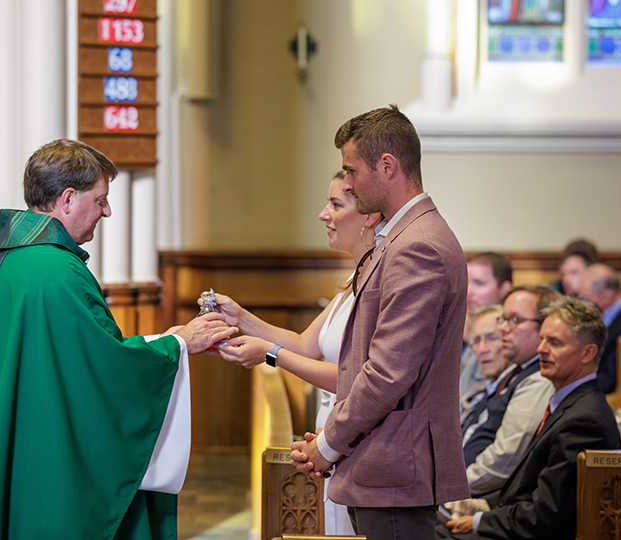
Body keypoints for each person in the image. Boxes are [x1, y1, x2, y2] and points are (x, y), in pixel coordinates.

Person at [0, 139, 237, 540]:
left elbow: (82, 354)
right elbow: (106, 373)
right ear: (68, 199)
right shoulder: (57, 271)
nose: (107, 210)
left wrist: (165, 338)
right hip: (46, 459)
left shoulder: (8, 256)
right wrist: (179, 345)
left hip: (17, 438)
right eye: (100, 199)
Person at [290, 105, 470, 540]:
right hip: (383, 461)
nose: (347, 182)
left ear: (387, 165)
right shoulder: (403, 236)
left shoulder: (417, 246)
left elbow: (389, 372)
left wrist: (327, 444)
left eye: (351, 171)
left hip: (395, 467)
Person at [210, 170, 381, 535]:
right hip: (331, 437)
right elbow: (306, 344)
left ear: (369, 216)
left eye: (335, 204)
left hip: (358, 442)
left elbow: (353, 377)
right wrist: (240, 317)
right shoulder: (355, 279)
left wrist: (270, 353)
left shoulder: (379, 284)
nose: (323, 214)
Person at [439, 296, 621, 539]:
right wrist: (476, 506)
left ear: (587, 353)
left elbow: (547, 514)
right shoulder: (570, 403)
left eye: (555, 342)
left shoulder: (584, 419)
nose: (541, 349)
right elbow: (528, 489)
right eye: (543, 339)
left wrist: (479, 520)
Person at [463, 285, 557, 495]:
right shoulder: (516, 371)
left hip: (476, 497)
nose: (504, 328)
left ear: (545, 327)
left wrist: (447, 490)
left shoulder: (539, 378)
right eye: (503, 319)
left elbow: (504, 459)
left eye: (515, 320)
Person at [460, 253, 513, 401]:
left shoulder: (509, 335)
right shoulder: (454, 330)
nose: (468, 291)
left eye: (479, 283)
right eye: (466, 282)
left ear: (504, 289)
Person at [578, 263, 621, 393]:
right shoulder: (608, 318)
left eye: (586, 299)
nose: (584, 306)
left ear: (605, 296)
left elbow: (608, 380)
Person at [460, 305, 509, 425]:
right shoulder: (476, 393)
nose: (482, 349)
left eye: (492, 338)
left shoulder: (517, 389)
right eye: (477, 341)